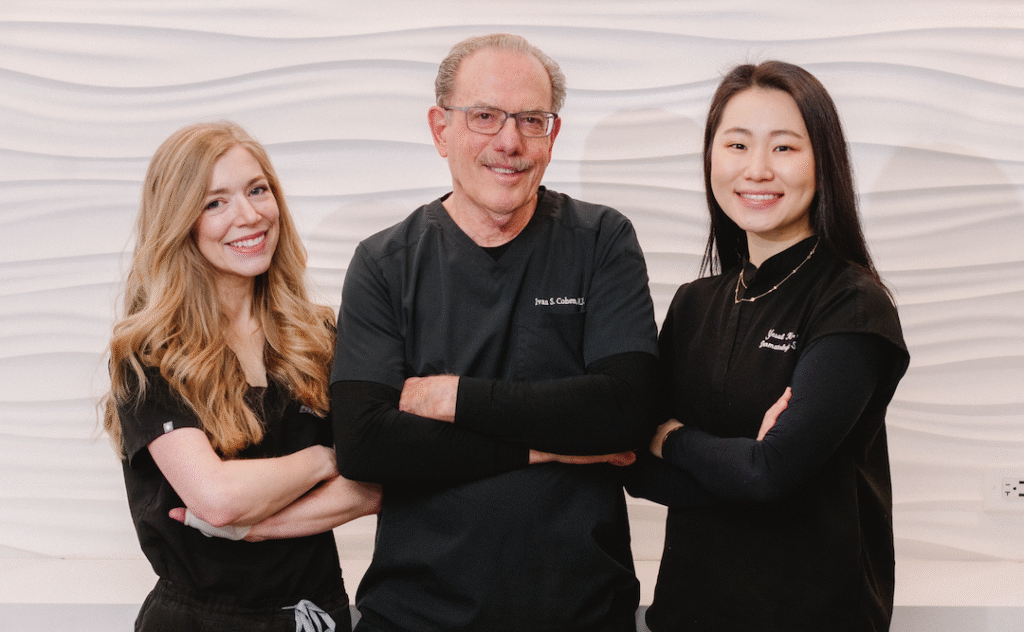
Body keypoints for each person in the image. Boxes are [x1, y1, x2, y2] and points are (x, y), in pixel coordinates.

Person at [331, 33, 660, 632]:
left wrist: (454, 398)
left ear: (552, 136)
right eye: (484, 117)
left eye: (531, 120)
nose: (509, 142)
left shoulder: (602, 241)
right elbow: (365, 443)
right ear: (440, 130)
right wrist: (549, 444)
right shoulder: (384, 262)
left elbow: (625, 408)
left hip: (582, 611)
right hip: (414, 616)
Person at [626, 61, 911, 631]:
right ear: (712, 157)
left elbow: (768, 473)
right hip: (688, 612)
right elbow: (635, 468)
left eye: (784, 148)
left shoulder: (850, 302)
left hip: (812, 615)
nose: (757, 170)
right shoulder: (694, 303)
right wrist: (749, 468)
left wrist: (675, 438)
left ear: (821, 162)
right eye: (737, 144)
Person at [104, 121, 381, 632]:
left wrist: (254, 529)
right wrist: (325, 458)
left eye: (258, 191)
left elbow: (372, 486)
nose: (250, 215)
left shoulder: (320, 335)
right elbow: (217, 498)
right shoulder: (150, 354)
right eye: (216, 203)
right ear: (179, 222)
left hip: (314, 614)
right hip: (199, 620)